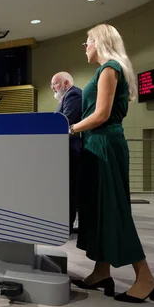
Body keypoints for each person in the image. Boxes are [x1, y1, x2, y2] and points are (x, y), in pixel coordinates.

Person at [70, 24, 154, 303]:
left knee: (114, 210)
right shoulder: (107, 69)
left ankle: (146, 278)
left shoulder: (109, 69)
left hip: (104, 145)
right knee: (97, 210)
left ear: (99, 42)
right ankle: (101, 271)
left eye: (87, 42)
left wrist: (70, 129)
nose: (85, 47)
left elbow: (101, 115)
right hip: (97, 144)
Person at [51, 71, 83, 233]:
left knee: (70, 190)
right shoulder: (67, 96)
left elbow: (67, 120)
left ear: (66, 83)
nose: (52, 88)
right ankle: (65, 225)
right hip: (67, 150)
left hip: (72, 150)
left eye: (55, 84)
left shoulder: (74, 94)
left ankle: (66, 227)